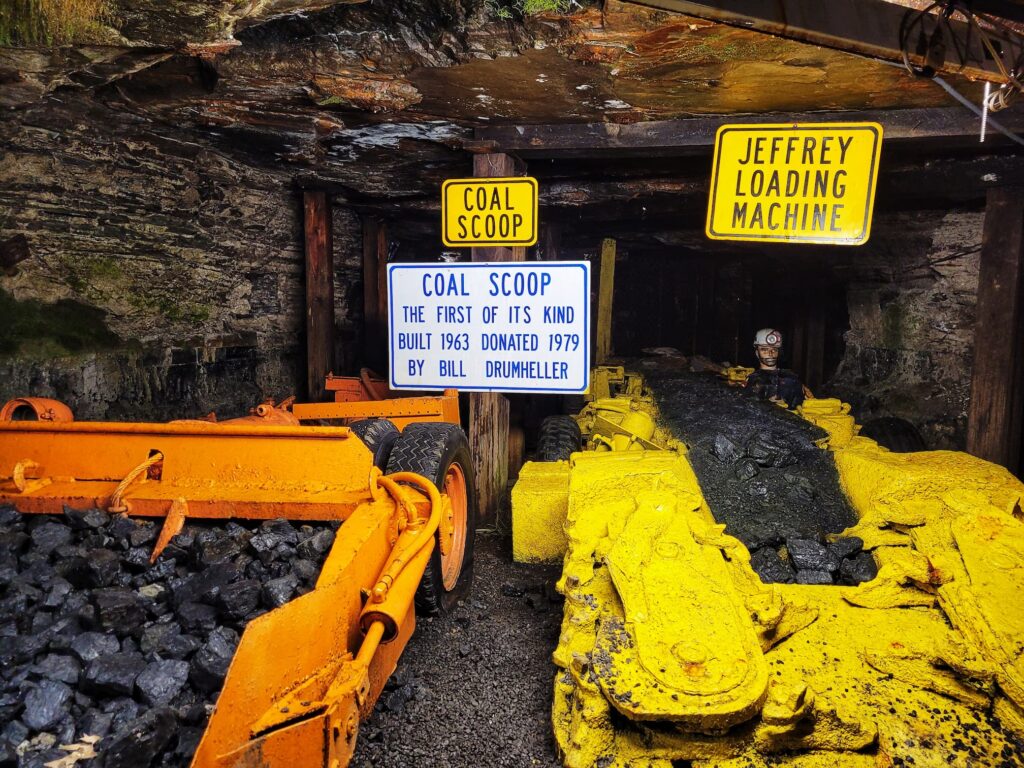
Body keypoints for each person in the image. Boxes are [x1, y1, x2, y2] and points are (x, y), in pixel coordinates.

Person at [745, 328, 806, 409]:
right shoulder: (751, 380)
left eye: (774, 349)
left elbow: (801, 404)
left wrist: (788, 406)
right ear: (757, 353)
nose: (770, 354)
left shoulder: (792, 379)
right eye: (764, 350)